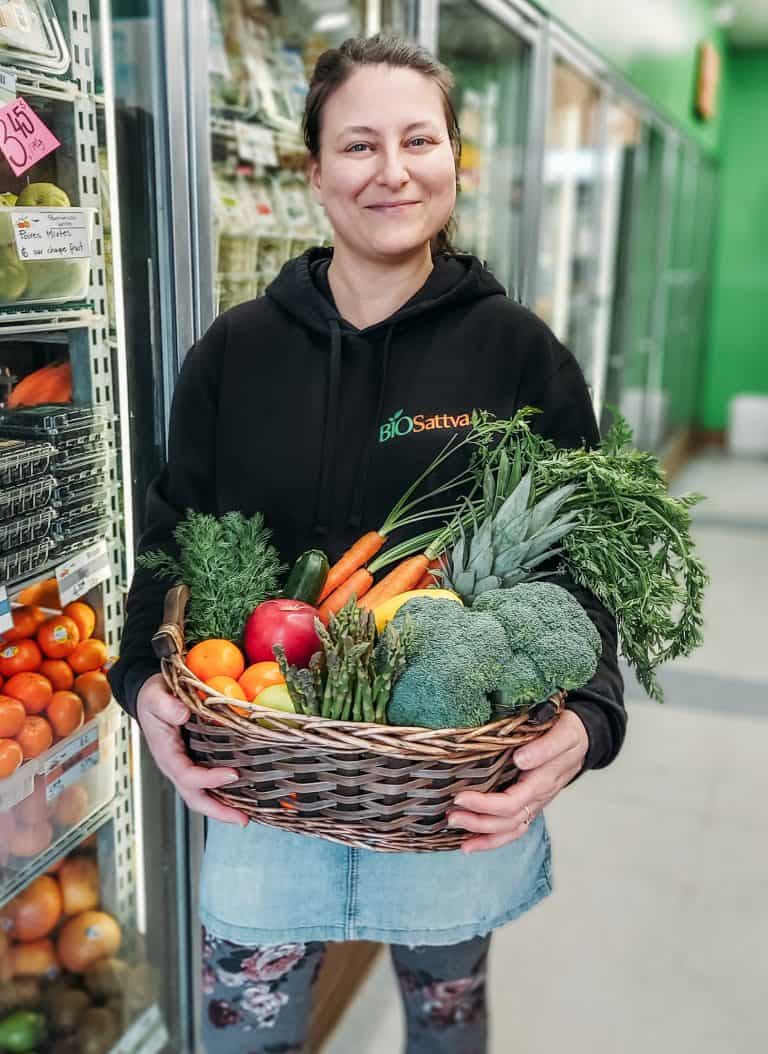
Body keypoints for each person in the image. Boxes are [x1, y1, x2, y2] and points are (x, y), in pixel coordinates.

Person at [109, 33, 625, 1054]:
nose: (392, 171)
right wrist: (143, 684)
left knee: (445, 1019)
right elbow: (171, 531)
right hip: (267, 787)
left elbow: (590, 563)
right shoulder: (235, 352)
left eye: (418, 139)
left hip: (452, 790)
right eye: (358, 145)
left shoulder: (520, 352)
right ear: (313, 172)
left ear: (454, 158)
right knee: (242, 1030)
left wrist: (594, 715)